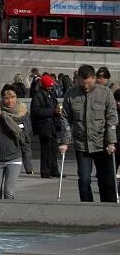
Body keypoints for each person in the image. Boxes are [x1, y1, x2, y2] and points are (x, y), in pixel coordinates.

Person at [61, 63, 117, 203]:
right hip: (82, 145)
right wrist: (65, 141)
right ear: (78, 79)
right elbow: (65, 118)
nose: (86, 85)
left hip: (102, 145)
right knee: (84, 180)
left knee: (106, 181)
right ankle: (87, 207)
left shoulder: (105, 93)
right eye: (83, 82)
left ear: (94, 78)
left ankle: (108, 207)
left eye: (89, 82)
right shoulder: (71, 94)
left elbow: (111, 117)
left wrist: (111, 141)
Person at [30, 73, 61, 178]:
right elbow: (36, 111)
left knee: (53, 149)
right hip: (44, 126)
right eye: (49, 86)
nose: (51, 87)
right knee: (46, 150)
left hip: (52, 125)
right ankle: (45, 170)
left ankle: (54, 169)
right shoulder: (38, 96)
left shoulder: (51, 94)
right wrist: (53, 111)